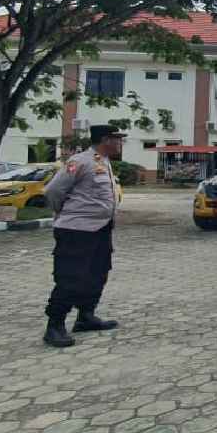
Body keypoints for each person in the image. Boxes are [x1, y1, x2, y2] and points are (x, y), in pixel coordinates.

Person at [41, 124, 125, 348]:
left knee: (98, 272)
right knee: (71, 276)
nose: (120, 143)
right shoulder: (79, 161)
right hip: (77, 230)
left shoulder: (103, 161)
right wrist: (66, 214)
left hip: (101, 228)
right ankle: (55, 325)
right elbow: (53, 191)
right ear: (105, 140)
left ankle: (86, 316)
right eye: (117, 139)